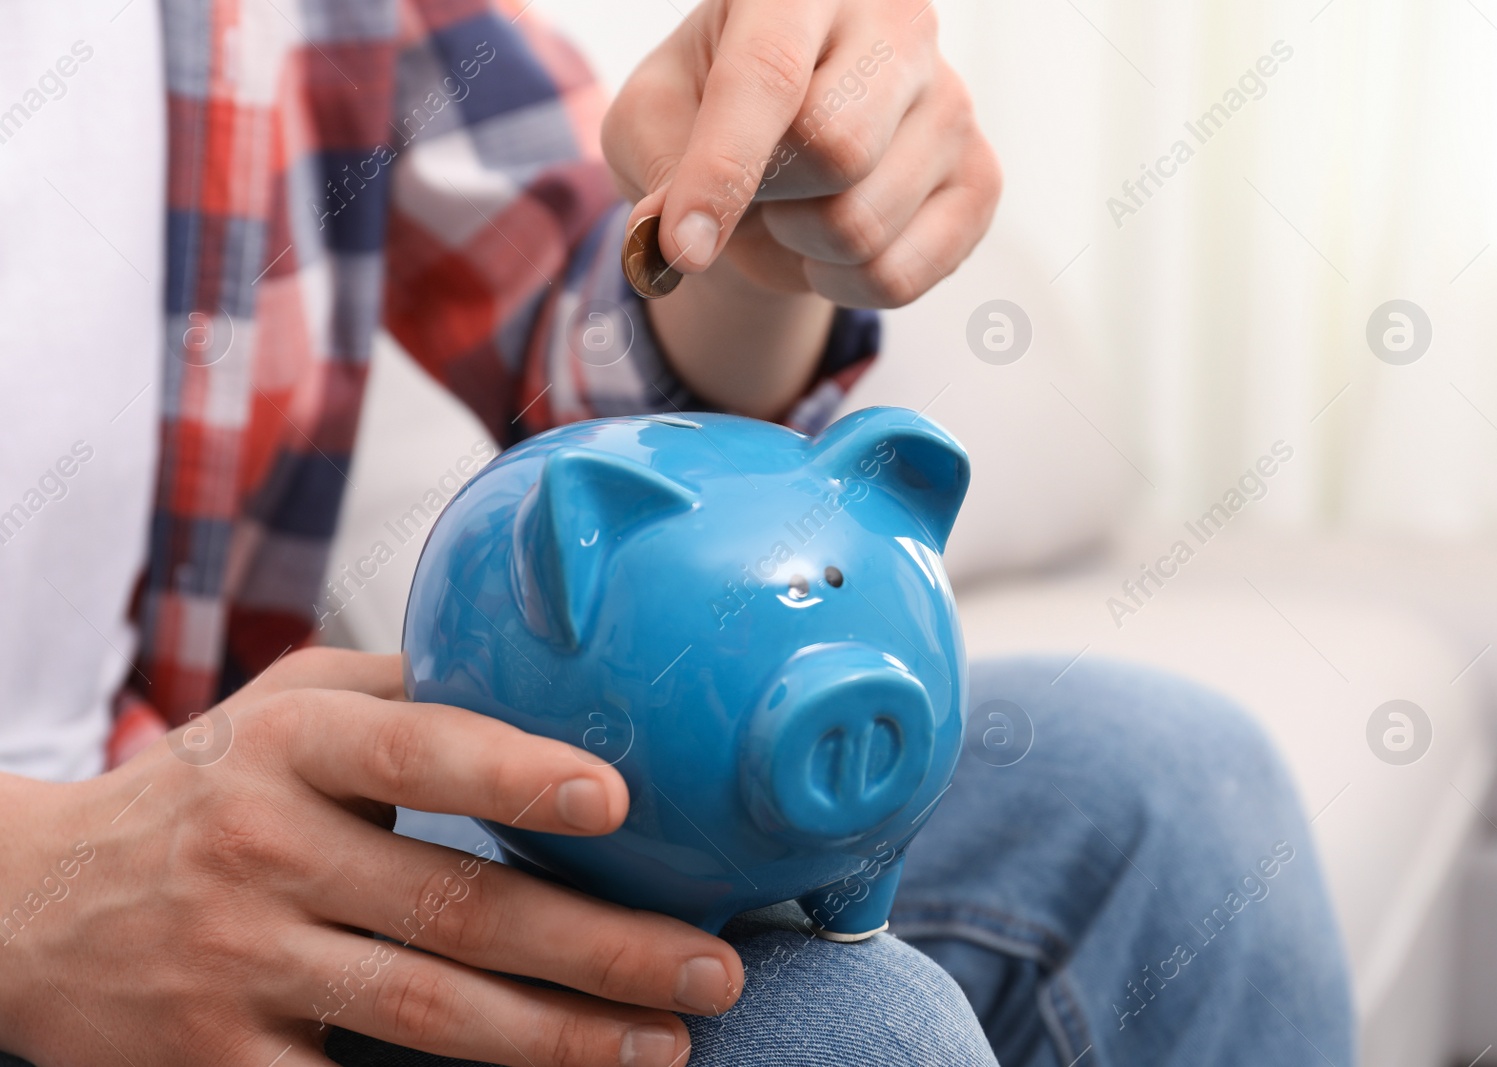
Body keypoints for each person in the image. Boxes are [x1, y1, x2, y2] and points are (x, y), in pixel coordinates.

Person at [0, 1, 1353, 1064]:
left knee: (1171, 786)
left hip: (172, 800)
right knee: (845, 1034)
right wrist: (35, 898)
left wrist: (756, 208)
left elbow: (603, 352)